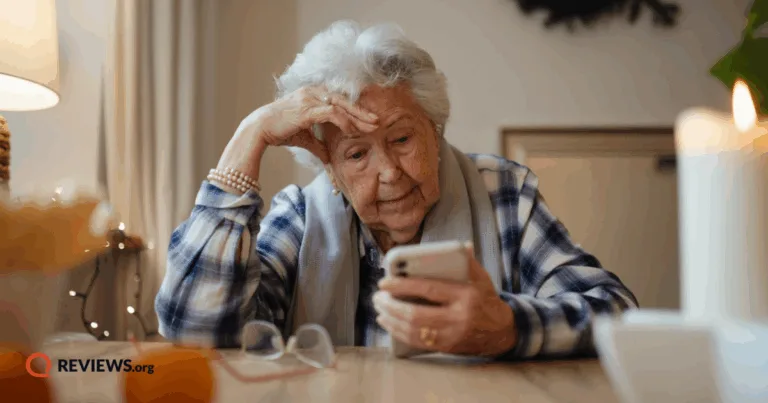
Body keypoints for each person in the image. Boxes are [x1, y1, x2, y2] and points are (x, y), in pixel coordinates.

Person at [155, 20, 638, 359]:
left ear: (436, 128)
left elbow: (615, 315)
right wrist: (251, 135)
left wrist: (507, 328)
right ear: (332, 171)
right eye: (357, 154)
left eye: (402, 138)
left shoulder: (503, 194)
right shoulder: (301, 217)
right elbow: (195, 331)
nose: (388, 172)